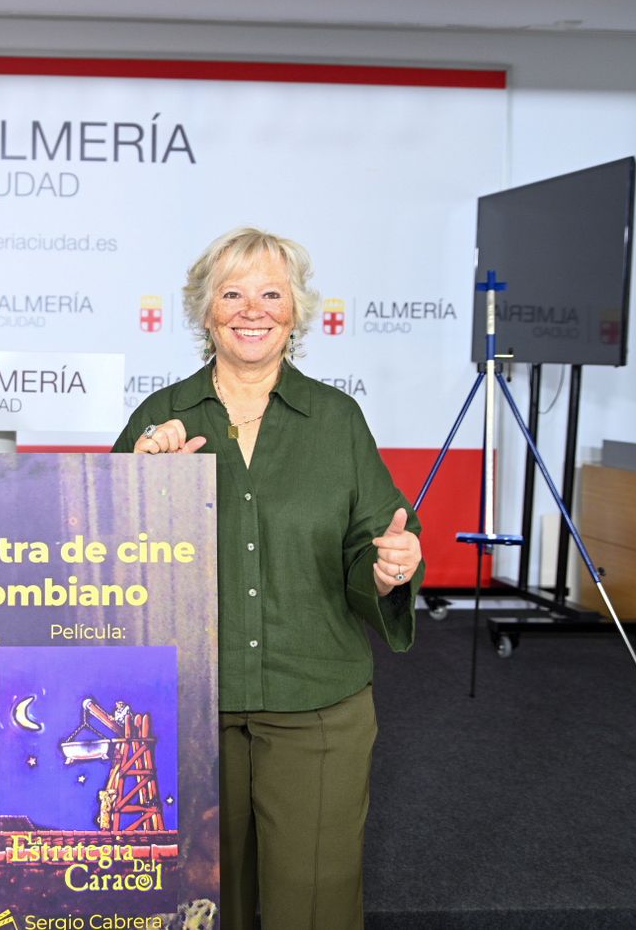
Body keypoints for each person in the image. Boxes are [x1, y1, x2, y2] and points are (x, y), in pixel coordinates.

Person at [112, 227, 423, 930]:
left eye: (271, 294)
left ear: (296, 311)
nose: (252, 309)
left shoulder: (337, 420)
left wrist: (390, 567)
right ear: (205, 310)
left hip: (316, 704)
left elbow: (374, 545)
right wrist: (141, 481)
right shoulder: (158, 422)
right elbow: (105, 572)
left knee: (312, 907)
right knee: (195, 909)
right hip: (186, 713)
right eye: (233, 293)